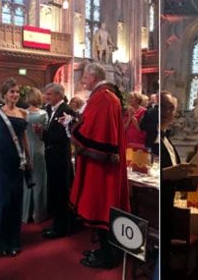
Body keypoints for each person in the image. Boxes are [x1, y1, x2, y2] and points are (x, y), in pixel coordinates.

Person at [70, 63, 131, 269]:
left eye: (85, 76)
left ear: (94, 76)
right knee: (101, 205)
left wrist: (72, 126)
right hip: (103, 163)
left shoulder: (104, 98)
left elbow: (94, 131)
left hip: (102, 166)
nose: (82, 80)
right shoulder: (104, 96)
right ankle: (104, 250)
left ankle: (108, 255)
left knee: (102, 205)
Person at [0, 78, 30, 256]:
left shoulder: (23, 113)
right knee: (4, 202)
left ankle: (14, 240)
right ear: (4, 94)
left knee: (16, 202)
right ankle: (2, 241)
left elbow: (24, 138)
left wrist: (29, 159)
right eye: (12, 92)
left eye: (17, 92)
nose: (15, 95)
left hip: (18, 162)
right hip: (2, 161)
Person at [159, 91, 198, 279]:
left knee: (165, 250)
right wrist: (165, 174)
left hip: (168, 205)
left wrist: (197, 178)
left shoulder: (168, 141)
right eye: (163, 106)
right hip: (158, 202)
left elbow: (177, 175)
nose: (167, 112)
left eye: (171, 108)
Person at [41, 83, 78, 239]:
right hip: (51, 155)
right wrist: (41, 133)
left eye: (49, 94)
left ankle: (62, 226)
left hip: (61, 157)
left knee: (61, 192)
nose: (46, 97)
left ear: (58, 95)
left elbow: (66, 136)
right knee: (54, 191)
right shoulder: (49, 110)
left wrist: (45, 134)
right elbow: (49, 133)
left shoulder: (67, 112)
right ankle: (57, 223)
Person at [22, 87, 48, 223]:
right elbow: (46, 133)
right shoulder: (43, 114)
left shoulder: (22, 113)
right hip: (39, 149)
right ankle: (38, 213)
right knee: (39, 181)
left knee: (26, 181)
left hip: (25, 149)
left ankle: (25, 213)